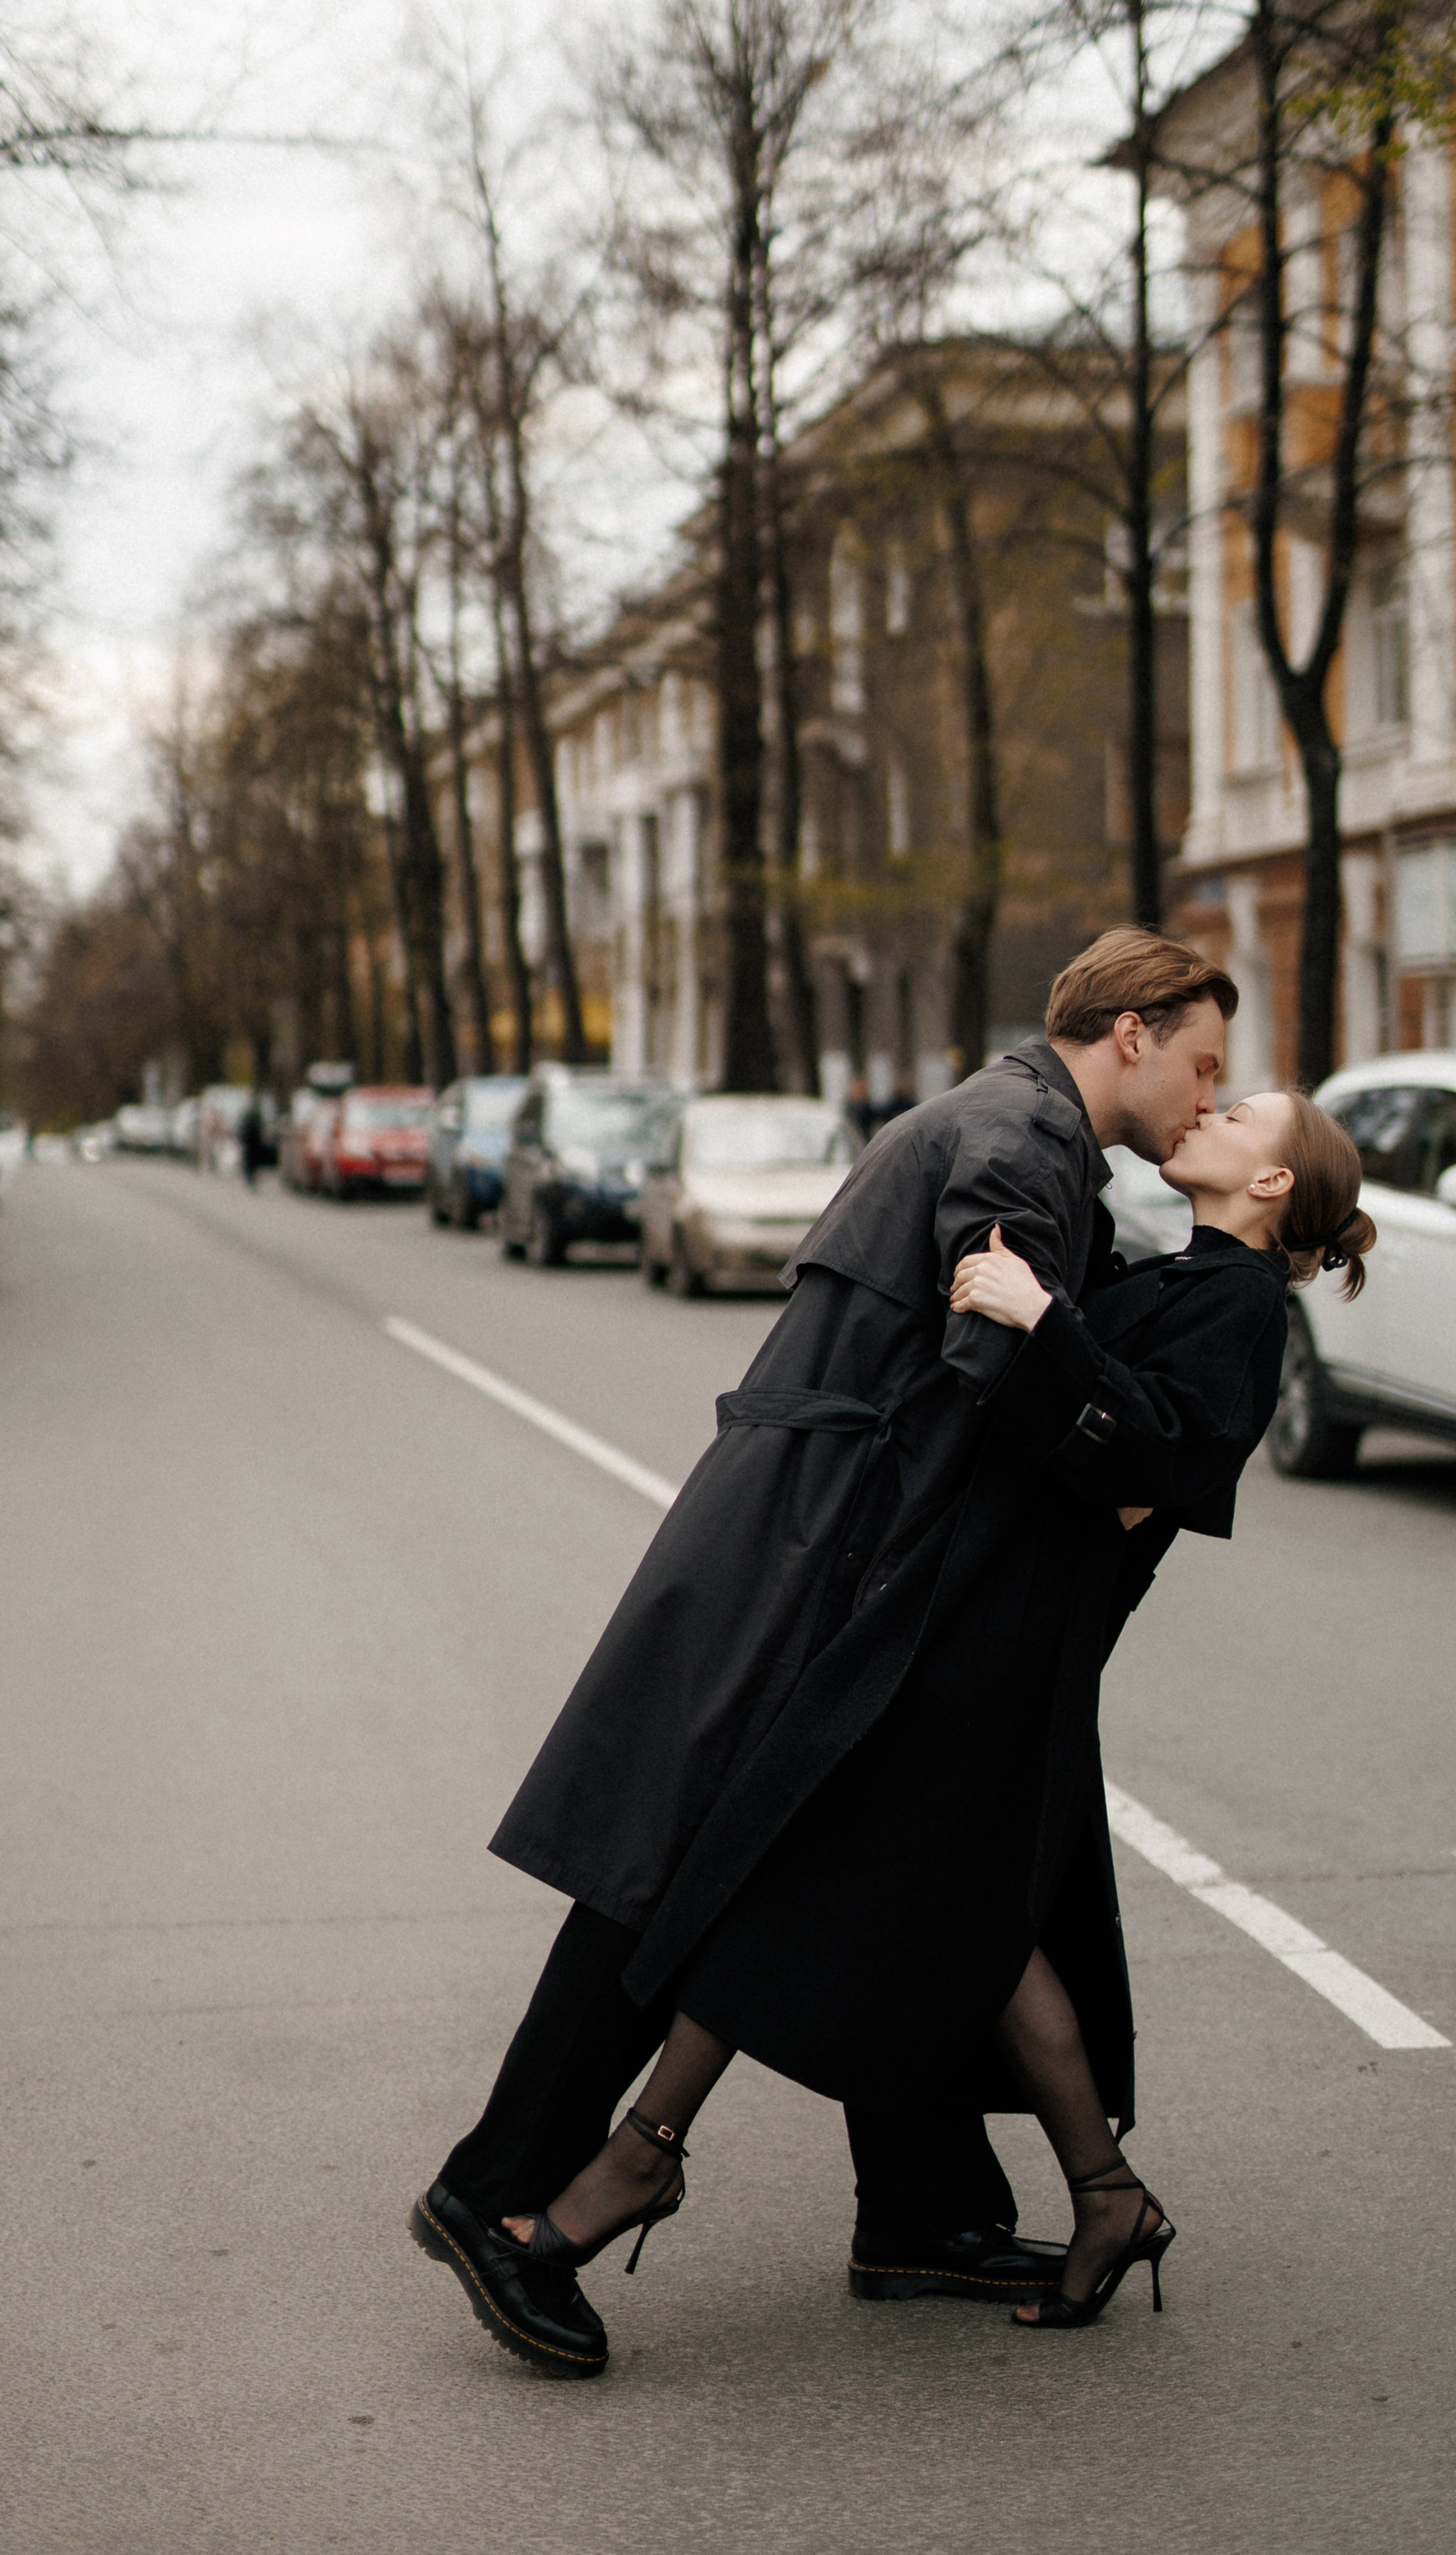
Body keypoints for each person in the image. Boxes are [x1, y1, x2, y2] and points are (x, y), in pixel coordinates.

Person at [410, 928, 1236, 2379]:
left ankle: (923, 2209)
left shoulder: (1015, 1125)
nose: (1207, 1094)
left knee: (882, 1849)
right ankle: (496, 2192)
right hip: (820, 1556)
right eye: (1204, 1063)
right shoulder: (1022, 1141)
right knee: (683, 1862)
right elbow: (995, 1365)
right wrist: (1135, 1450)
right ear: (1131, 1032)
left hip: (820, 1533)